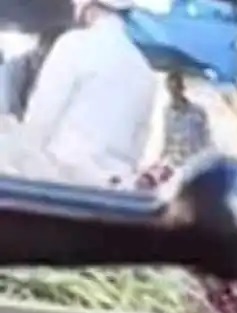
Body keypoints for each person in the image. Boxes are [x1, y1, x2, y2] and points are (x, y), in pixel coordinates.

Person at [22, 0, 156, 185]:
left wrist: (24, 162)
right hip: (112, 189)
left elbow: (42, 115)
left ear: (88, 7)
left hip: (62, 179)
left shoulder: (73, 44)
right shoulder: (144, 69)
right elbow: (139, 142)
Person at [160, 72, 212, 168]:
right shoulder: (167, 113)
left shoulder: (198, 112)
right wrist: (161, 159)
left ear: (182, 89)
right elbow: (167, 140)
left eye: (176, 90)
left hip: (195, 163)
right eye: (171, 90)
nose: (174, 94)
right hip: (176, 165)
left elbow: (207, 139)